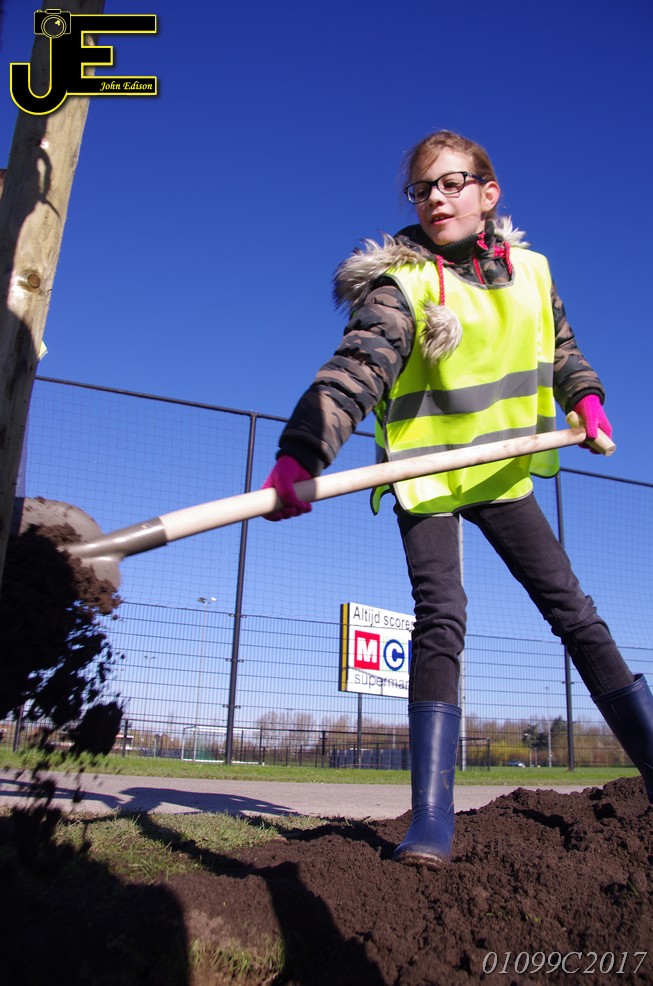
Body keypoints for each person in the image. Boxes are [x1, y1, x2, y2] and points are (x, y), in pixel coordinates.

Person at [263, 130, 653, 866]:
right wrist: (301, 452)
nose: (435, 199)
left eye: (451, 183)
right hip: (428, 476)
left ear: (487, 192)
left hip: (501, 473)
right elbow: (354, 371)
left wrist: (586, 398)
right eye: (422, 189)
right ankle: (432, 817)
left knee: (573, 611)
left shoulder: (533, 273)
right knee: (441, 617)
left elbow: (561, 348)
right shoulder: (401, 285)